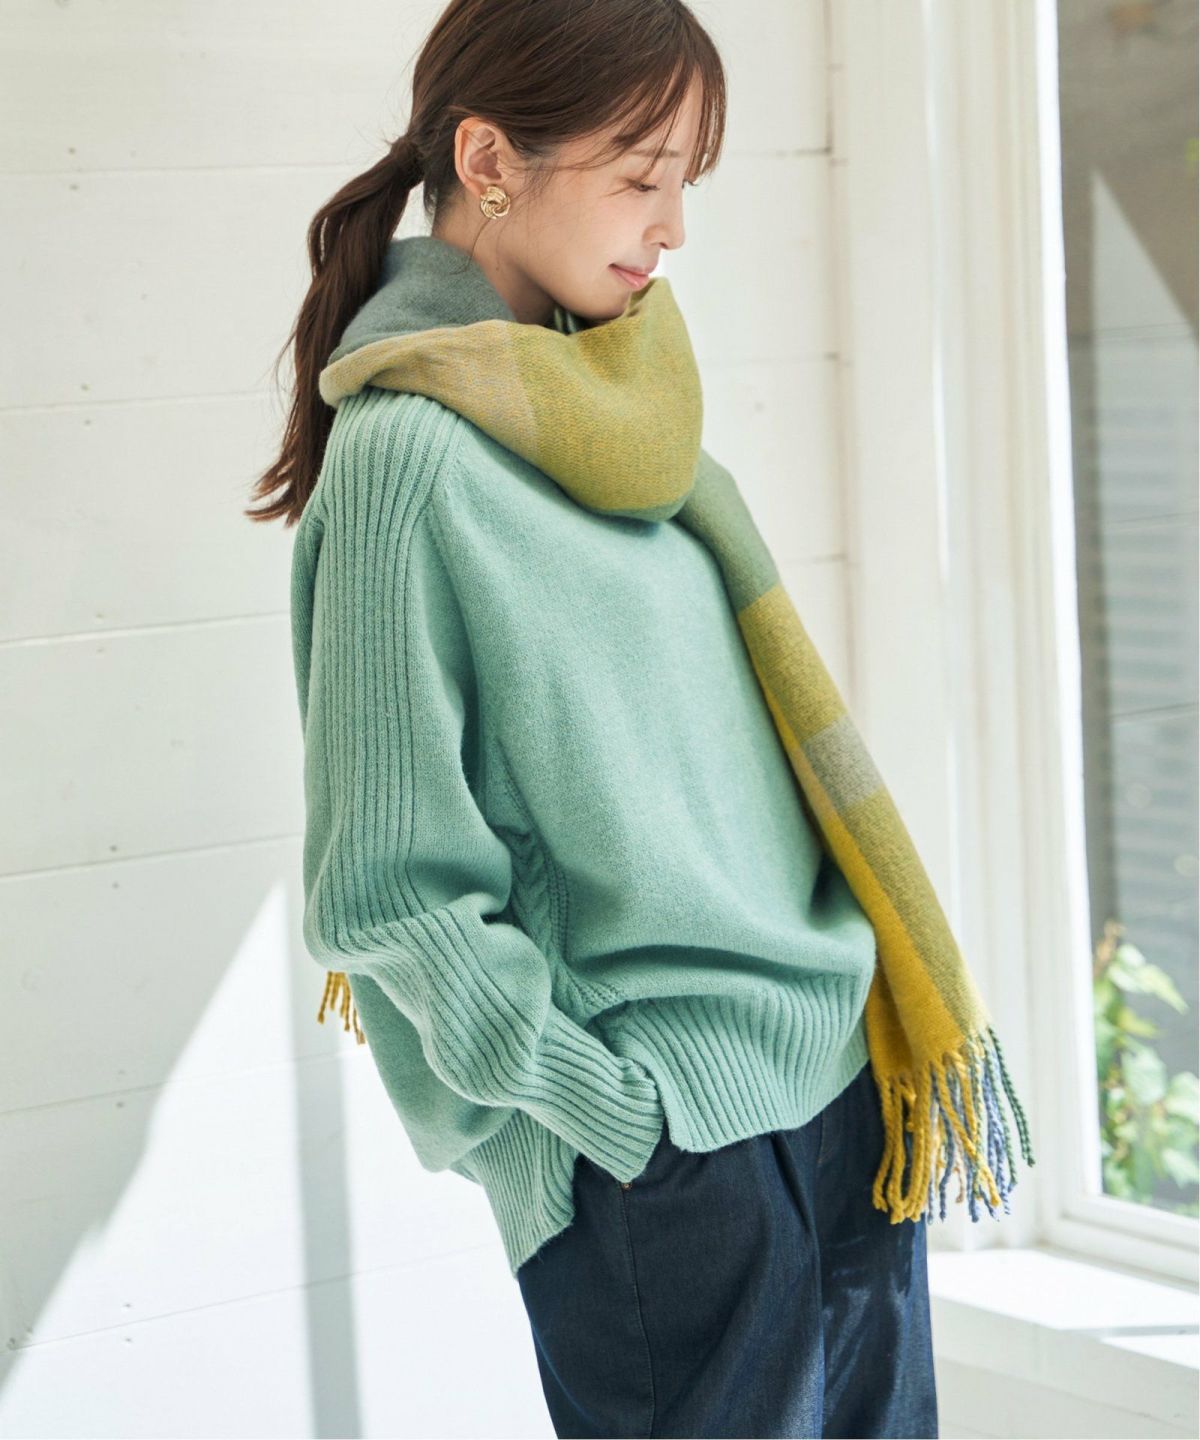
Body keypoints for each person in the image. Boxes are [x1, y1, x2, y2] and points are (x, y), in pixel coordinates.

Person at [248, 2, 1035, 1435]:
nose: (672, 228)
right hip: (668, 1161)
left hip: (836, 1085)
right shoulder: (407, 466)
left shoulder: (622, 420)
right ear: (489, 160)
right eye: (639, 177)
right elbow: (387, 896)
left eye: (686, 184)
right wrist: (621, 1122)